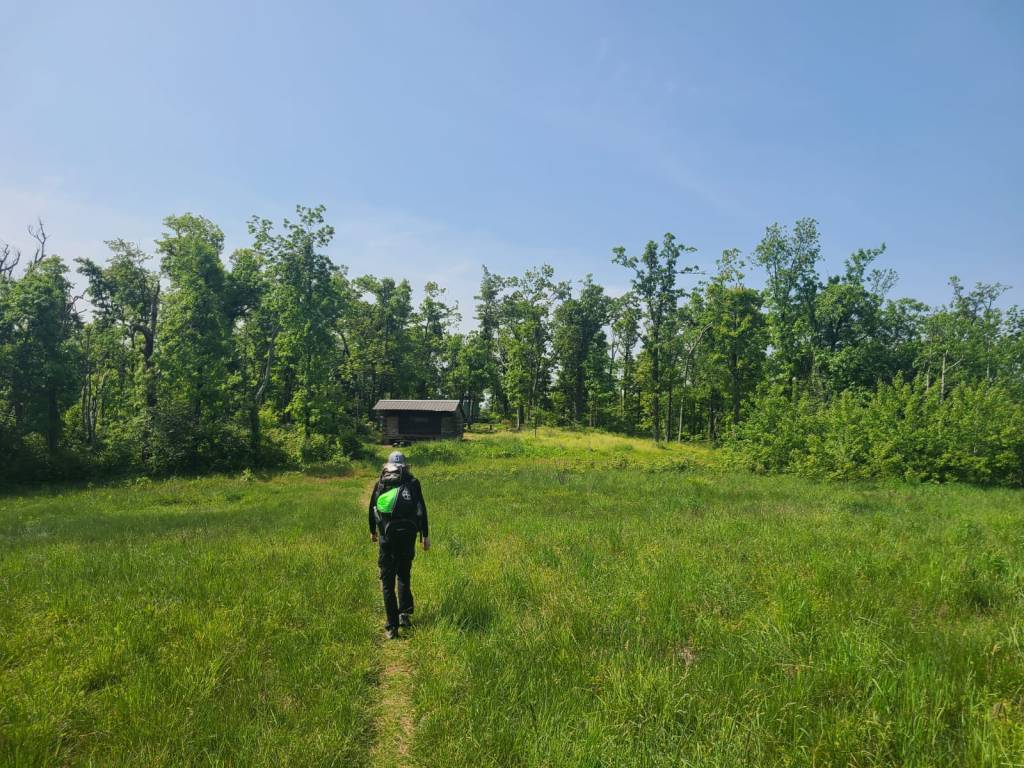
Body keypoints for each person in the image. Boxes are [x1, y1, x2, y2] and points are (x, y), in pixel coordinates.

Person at [368, 451, 430, 639]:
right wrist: (425, 535)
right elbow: (421, 510)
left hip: (387, 538)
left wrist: (373, 531)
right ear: (405, 466)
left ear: (387, 466)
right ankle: (404, 615)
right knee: (403, 574)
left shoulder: (381, 483)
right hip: (408, 535)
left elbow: (373, 509)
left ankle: (392, 627)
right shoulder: (413, 482)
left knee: (387, 581)